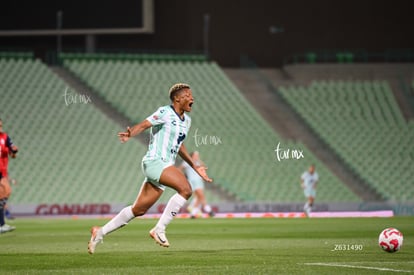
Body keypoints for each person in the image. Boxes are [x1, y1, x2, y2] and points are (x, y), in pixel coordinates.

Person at [88, 83, 212, 254]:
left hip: (164, 165)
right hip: (155, 162)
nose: (192, 98)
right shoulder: (165, 112)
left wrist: (195, 166)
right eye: (188, 95)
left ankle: (100, 232)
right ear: (177, 98)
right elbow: (145, 124)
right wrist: (130, 134)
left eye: (192, 96)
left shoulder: (187, 121)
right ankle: (159, 229)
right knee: (185, 189)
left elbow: (179, 144)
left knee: (138, 210)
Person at [180, 151, 214, 218]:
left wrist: (198, 160)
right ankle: (207, 209)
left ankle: (194, 213)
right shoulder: (187, 162)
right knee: (200, 196)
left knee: (199, 196)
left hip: (198, 180)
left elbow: (204, 167)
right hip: (192, 181)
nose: (197, 157)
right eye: (196, 155)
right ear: (192, 156)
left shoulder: (198, 162)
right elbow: (180, 168)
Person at [0, 118, 18, 233]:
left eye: (1, 124)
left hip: (3, 170)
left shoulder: (4, 137)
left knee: (4, 194)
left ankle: (1, 224)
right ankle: (1, 224)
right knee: (6, 191)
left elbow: (13, 151)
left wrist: (13, 151)